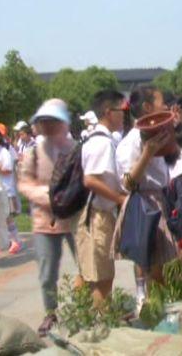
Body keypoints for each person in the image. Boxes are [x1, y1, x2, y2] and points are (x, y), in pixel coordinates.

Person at [115, 85, 178, 311]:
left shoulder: (157, 133)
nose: (166, 107)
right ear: (148, 107)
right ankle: (153, 310)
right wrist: (147, 154)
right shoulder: (131, 143)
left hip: (159, 200)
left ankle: (157, 307)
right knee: (152, 265)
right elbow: (127, 184)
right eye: (162, 103)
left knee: (159, 265)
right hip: (144, 205)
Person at [18, 98, 78, 336]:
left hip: (73, 217)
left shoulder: (76, 149)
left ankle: (90, 306)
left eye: (54, 121)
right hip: (44, 220)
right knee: (46, 272)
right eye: (45, 122)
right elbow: (24, 183)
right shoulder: (33, 152)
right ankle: (50, 311)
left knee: (86, 266)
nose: (49, 126)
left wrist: (68, 198)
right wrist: (48, 196)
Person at [76, 90, 128, 307]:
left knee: (89, 273)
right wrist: (119, 199)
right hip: (97, 217)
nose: (124, 115)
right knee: (102, 279)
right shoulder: (102, 142)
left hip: (96, 215)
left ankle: (81, 318)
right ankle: (98, 326)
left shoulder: (99, 138)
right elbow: (91, 180)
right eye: (121, 110)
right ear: (109, 112)